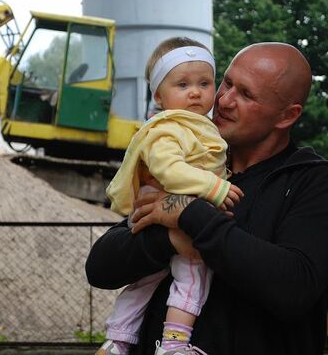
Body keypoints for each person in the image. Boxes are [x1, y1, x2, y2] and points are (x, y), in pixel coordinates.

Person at [86, 42, 328, 355]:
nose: (224, 100)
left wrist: (190, 215)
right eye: (226, 83)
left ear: (286, 116)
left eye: (246, 94)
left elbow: (294, 288)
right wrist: (168, 239)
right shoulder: (194, 167)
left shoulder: (319, 186)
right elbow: (100, 268)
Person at [94, 37, 243, 355]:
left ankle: (118, 339)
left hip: (165, 210)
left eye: (204, 83)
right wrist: (215, 187)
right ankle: (174, 344)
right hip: (168, 212)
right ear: (159, 96)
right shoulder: (168, 129)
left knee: (146, 280)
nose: (195, 92)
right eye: (183, 84)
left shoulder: (195, 126)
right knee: (193, 274)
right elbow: (169, 170)